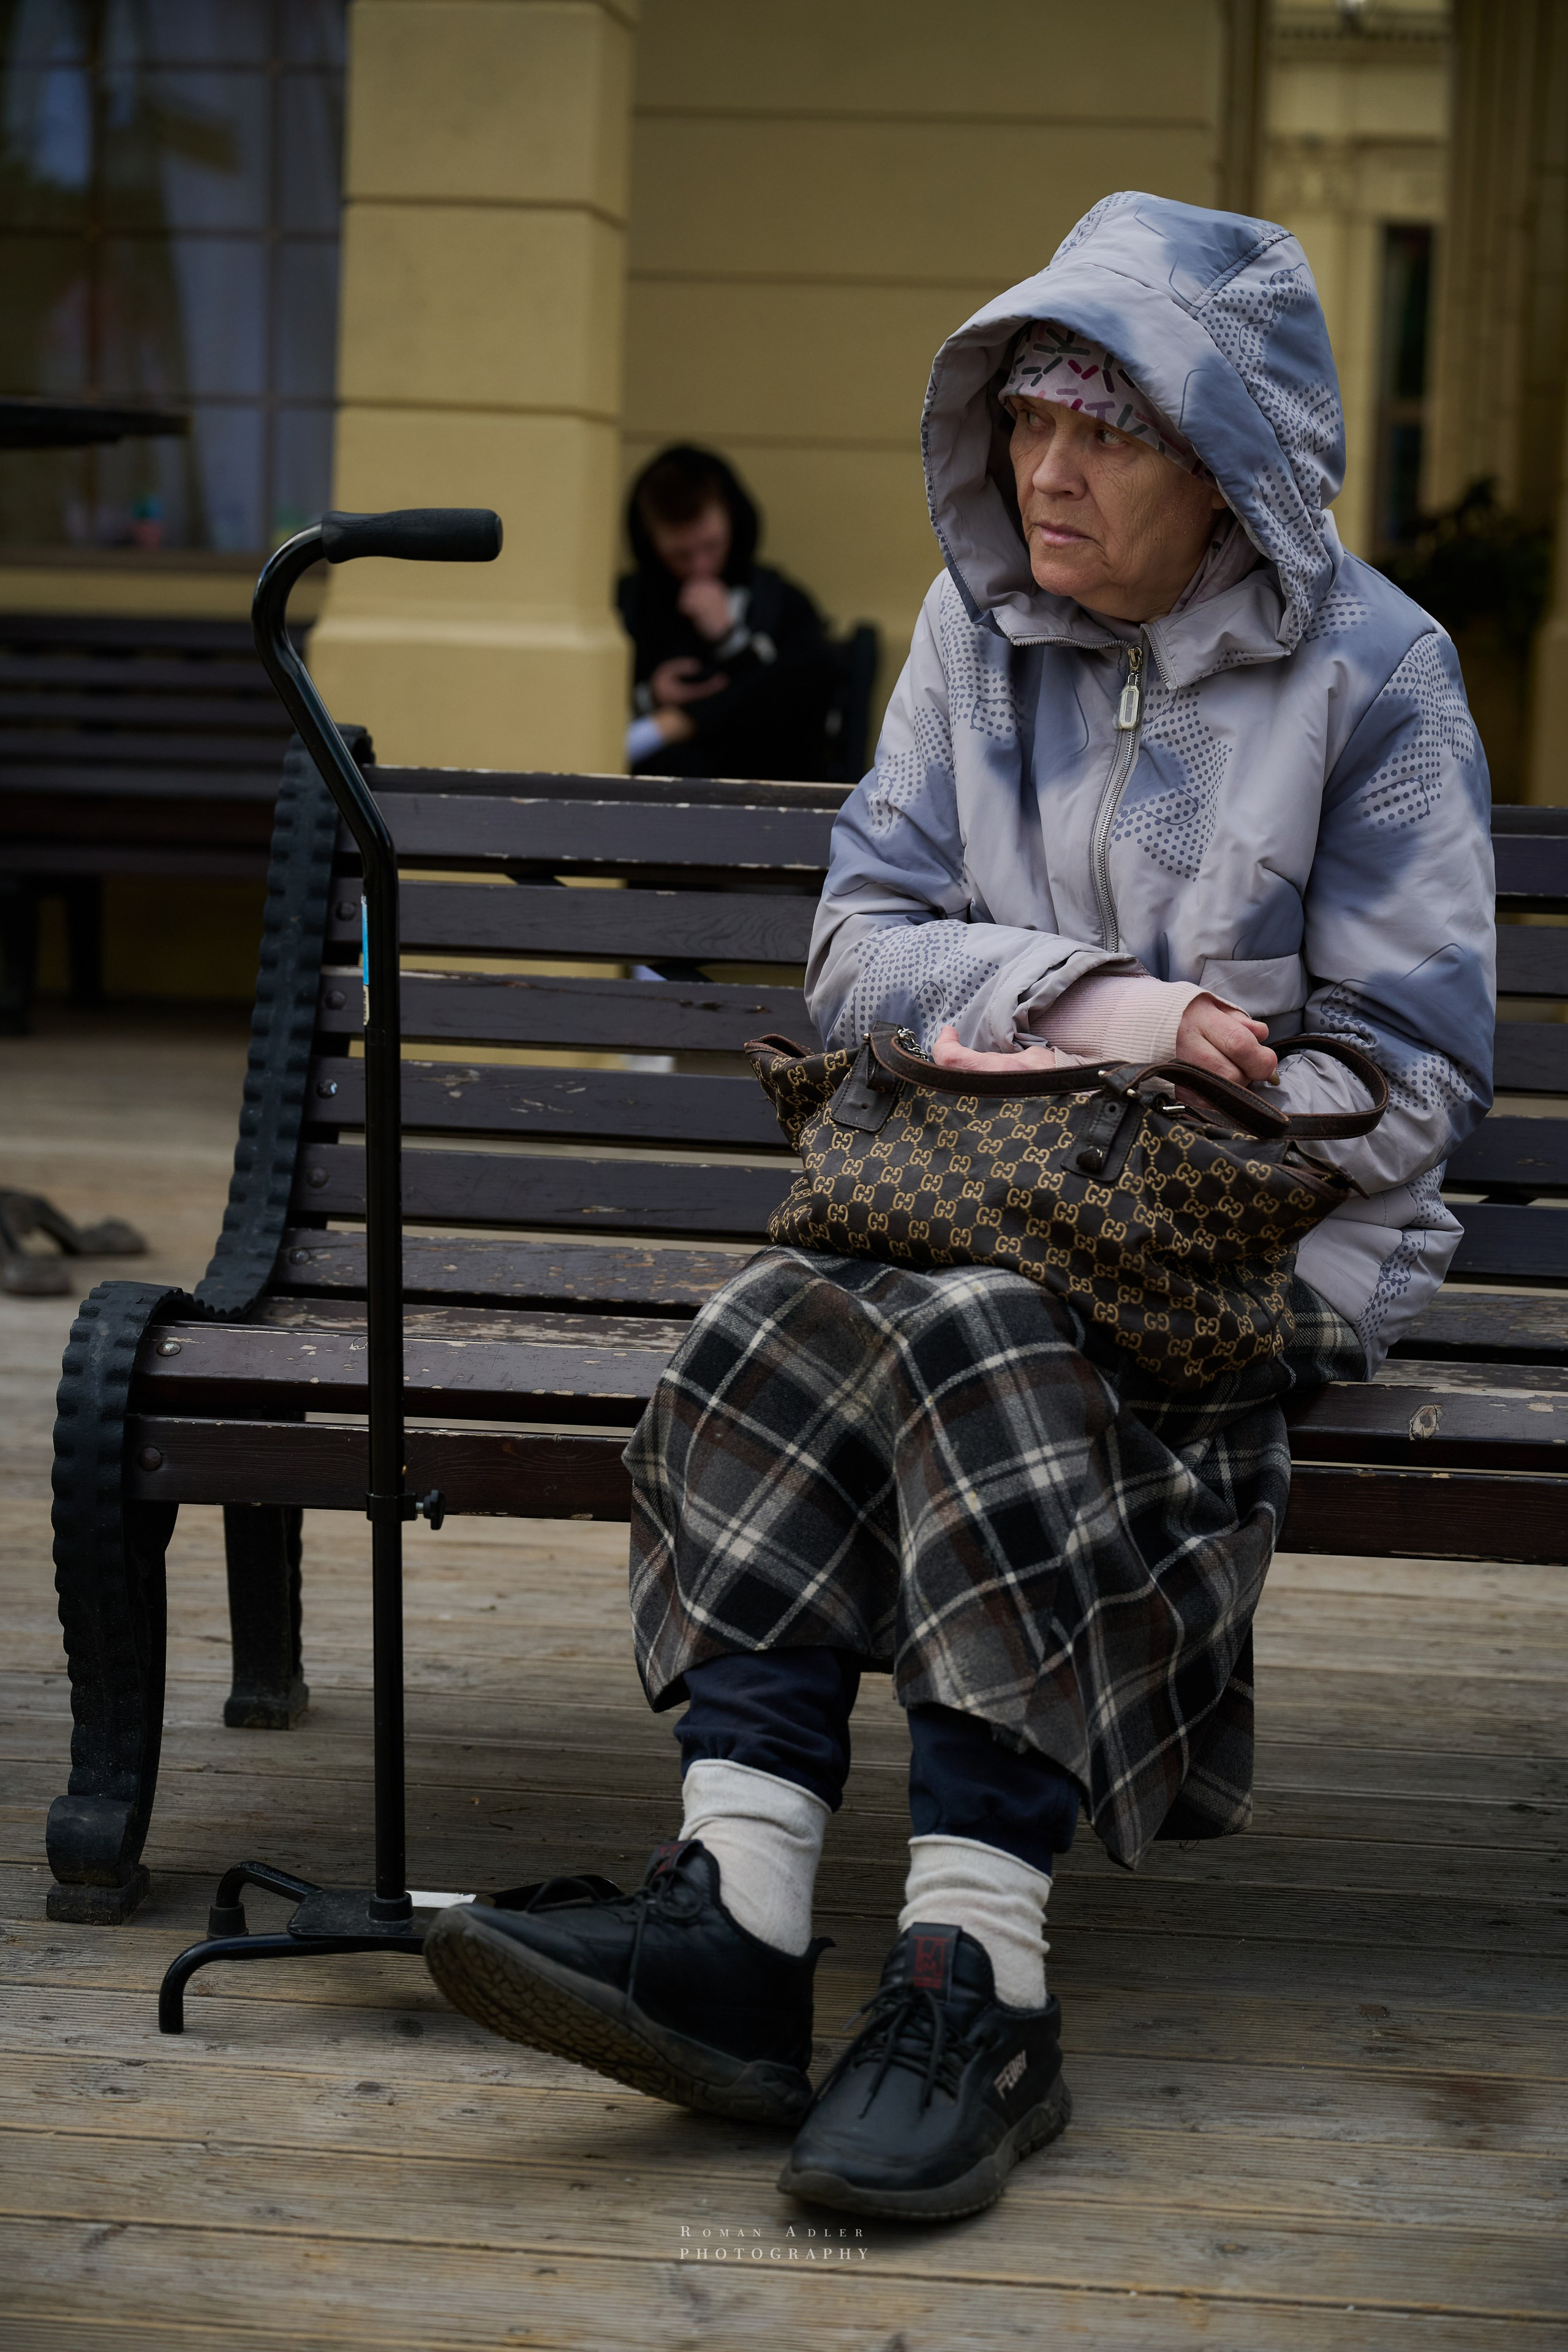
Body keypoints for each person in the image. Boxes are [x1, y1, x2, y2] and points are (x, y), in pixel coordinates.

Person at [425, 195, 1495, 2222]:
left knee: (973, 1325)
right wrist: (1111, 1012)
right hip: (969, 1212)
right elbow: (858, 948)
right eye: (1027, 415)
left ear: (1230, 461)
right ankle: (740, 1917)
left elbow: (1406, 1082)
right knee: (777, 1310)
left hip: (1250, 1244)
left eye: (1109, 428)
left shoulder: (1377, 674)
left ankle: (975, 1979)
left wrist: (1117, 1110)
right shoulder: (969, 631)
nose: (1046, 470)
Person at [617, 443, 835, 780]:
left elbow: (804, 697)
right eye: (681, 555)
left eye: (711, 546)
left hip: (760, 779)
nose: (700, 567)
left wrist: (730, 640)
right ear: (651, 543)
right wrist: (651, 696)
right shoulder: (632, 604)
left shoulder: (777, 600)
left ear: (732, 520)